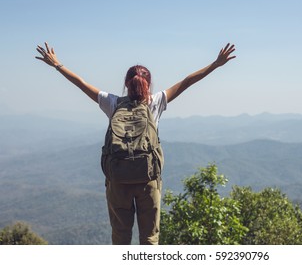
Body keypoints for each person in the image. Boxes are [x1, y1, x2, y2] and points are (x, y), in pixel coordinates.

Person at [35, 42, 236, 244]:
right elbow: (187, 81)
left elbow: (81, 83)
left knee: (120, 236)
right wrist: (215, 64)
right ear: (149, 83)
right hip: (147, 180)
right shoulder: (156, 102)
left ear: (126, 83)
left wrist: (57, 65)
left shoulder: (112, 103)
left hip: (118, 180)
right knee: (149, 238)